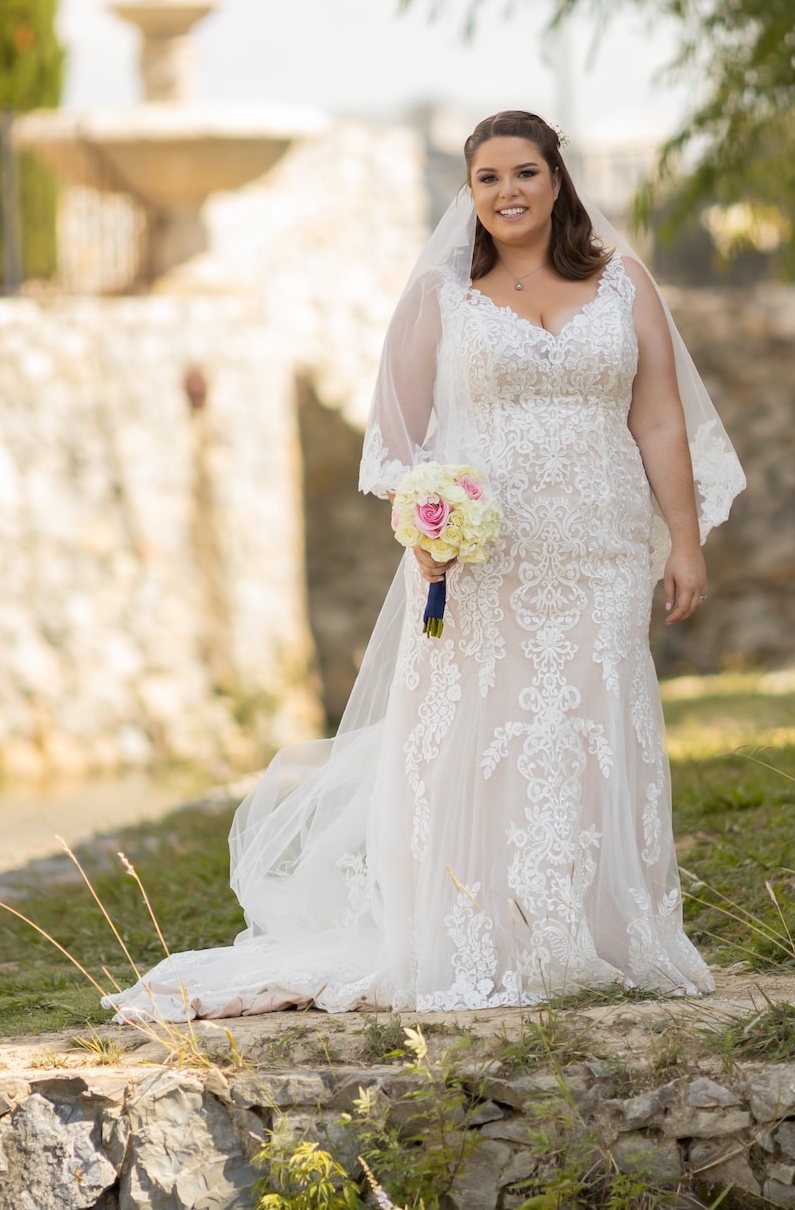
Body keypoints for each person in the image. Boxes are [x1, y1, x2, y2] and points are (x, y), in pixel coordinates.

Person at [105, 110, 744, 1020]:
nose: (508, 192)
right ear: (470, 194)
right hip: (484, 556)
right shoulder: (441, 295)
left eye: (525, 172)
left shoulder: (623, 283)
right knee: (488, 734)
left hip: (601, 548)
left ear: (557, 180)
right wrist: (429, 522)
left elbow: (660, 419)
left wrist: (682, 538)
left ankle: (599, 933)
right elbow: (396, 438)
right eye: (488, 178)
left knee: (595, 717)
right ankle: (480, 935)